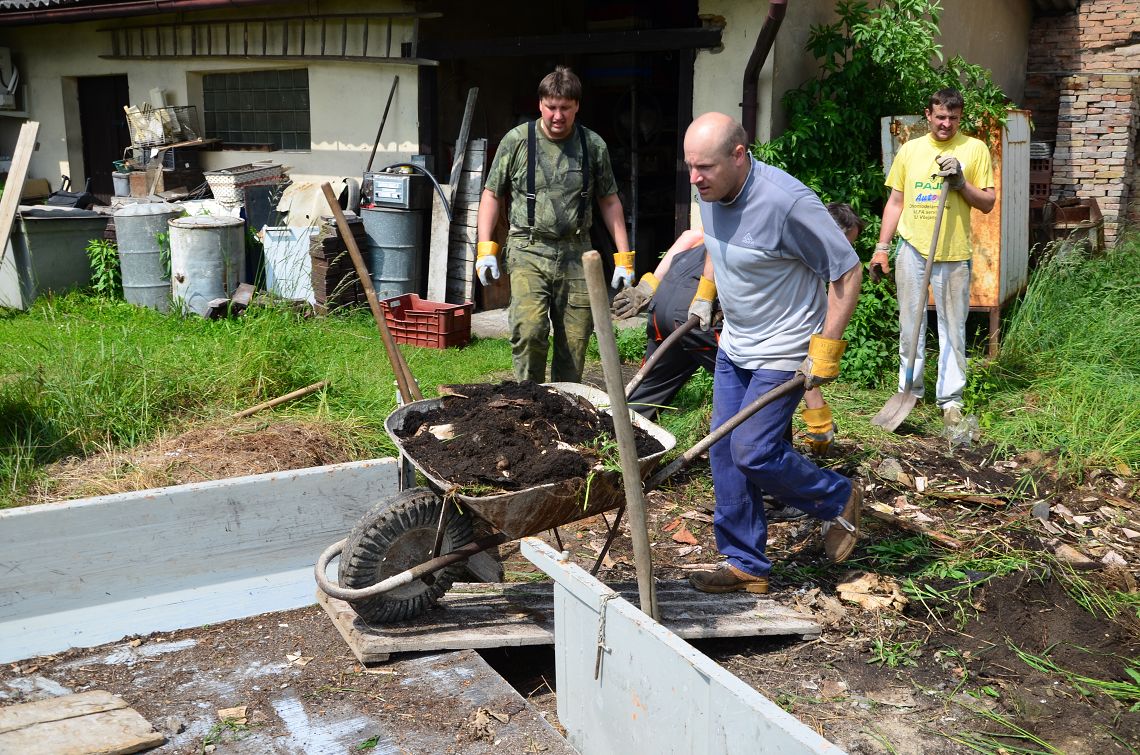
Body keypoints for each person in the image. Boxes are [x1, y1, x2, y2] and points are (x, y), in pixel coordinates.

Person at [681, 113, 864, 595]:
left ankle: (837, 496)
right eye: (690, 166)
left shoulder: (787, 204)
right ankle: (747, 564)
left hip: (784, 348)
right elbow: (717, 243)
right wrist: (705, 293)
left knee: (754, 450)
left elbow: (848, 272)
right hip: (737, 343)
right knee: (724, 450)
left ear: (738, 155)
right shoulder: (709, 190)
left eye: (705, 167)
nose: (695, 178)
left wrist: (826, 350)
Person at [613, 203, 865, 460]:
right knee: (767, 389)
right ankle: (772, 469)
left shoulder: (770, 222)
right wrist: (818, 417)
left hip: (665, 301)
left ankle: (611, 448)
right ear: (831, 234)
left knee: (648, 390)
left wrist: (649, 286)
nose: (845, 254)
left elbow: (689, 237)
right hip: (701, 309)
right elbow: (791, 349)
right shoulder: (798, 260)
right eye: (847, 244)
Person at [475, 66, 633, 384]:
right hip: (528, 248)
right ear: (540, 104)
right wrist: (485, 249)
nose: (558, 116)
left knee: (575, 339)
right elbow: (492, 195)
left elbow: (609, 201)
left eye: (565, 108)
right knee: (529, 330)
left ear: (577, 106)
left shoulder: (593, 145)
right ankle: (527, 400)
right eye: (551, 107)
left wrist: (624, 257)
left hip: (577, 251)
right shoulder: (517, 141)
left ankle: (564, 404)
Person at [871, 88, 995, 427]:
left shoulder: (974, 149)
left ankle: (951, 400)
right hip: (912, 249)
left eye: (953, 118)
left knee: (953, 329)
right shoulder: (910, 150)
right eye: (940, 116)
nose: (946, 124)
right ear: (928, 115)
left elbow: (987, 203)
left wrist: (961, 183)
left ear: (960, 117)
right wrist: (882, 248)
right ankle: (908, 390)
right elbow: (896, 202)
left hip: (953, 253)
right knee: (910, 325)